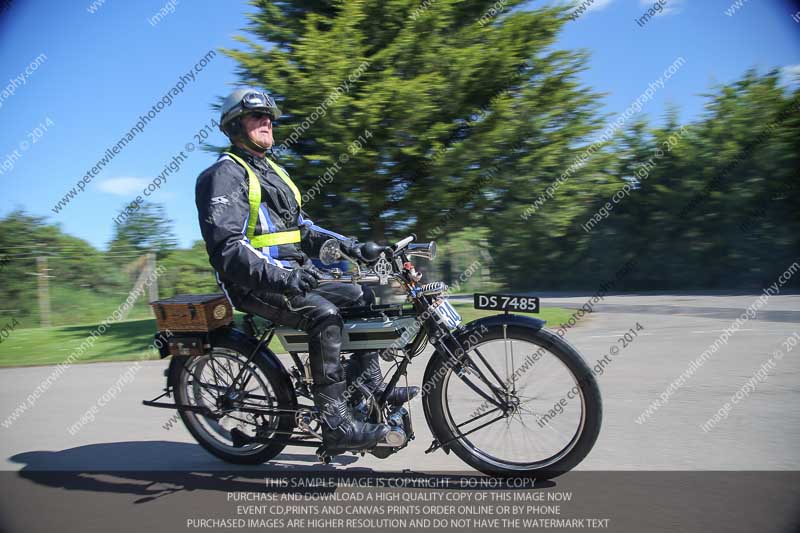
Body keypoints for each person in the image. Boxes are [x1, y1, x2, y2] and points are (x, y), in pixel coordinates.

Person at [195, 89, 418, 455]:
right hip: (252, 283)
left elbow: (304, 230)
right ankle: (337, 425)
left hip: (291, 274)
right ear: (235, 124)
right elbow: (227, 249)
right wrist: (284, 278)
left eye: (270, 117)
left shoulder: (272, 172)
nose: (267, 122)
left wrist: (351, 246)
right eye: (257, 117)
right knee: (324, 316)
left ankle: (370, 387)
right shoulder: (222, 175)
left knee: (363, 297)